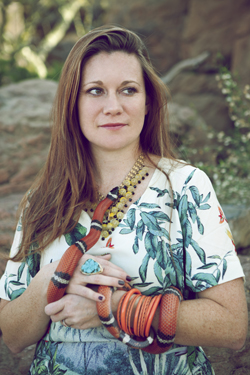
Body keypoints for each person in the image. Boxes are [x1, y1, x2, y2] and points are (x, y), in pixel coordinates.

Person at [0, 25, 247, 375]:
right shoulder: (42, 199)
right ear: (74, 103)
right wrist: (54, 278)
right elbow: (11, 336)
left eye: (128, 90)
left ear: (148, 101)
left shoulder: (186, 186)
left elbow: (232, 325)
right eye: (96, 91)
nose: (113, 106)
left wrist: (114, 307)